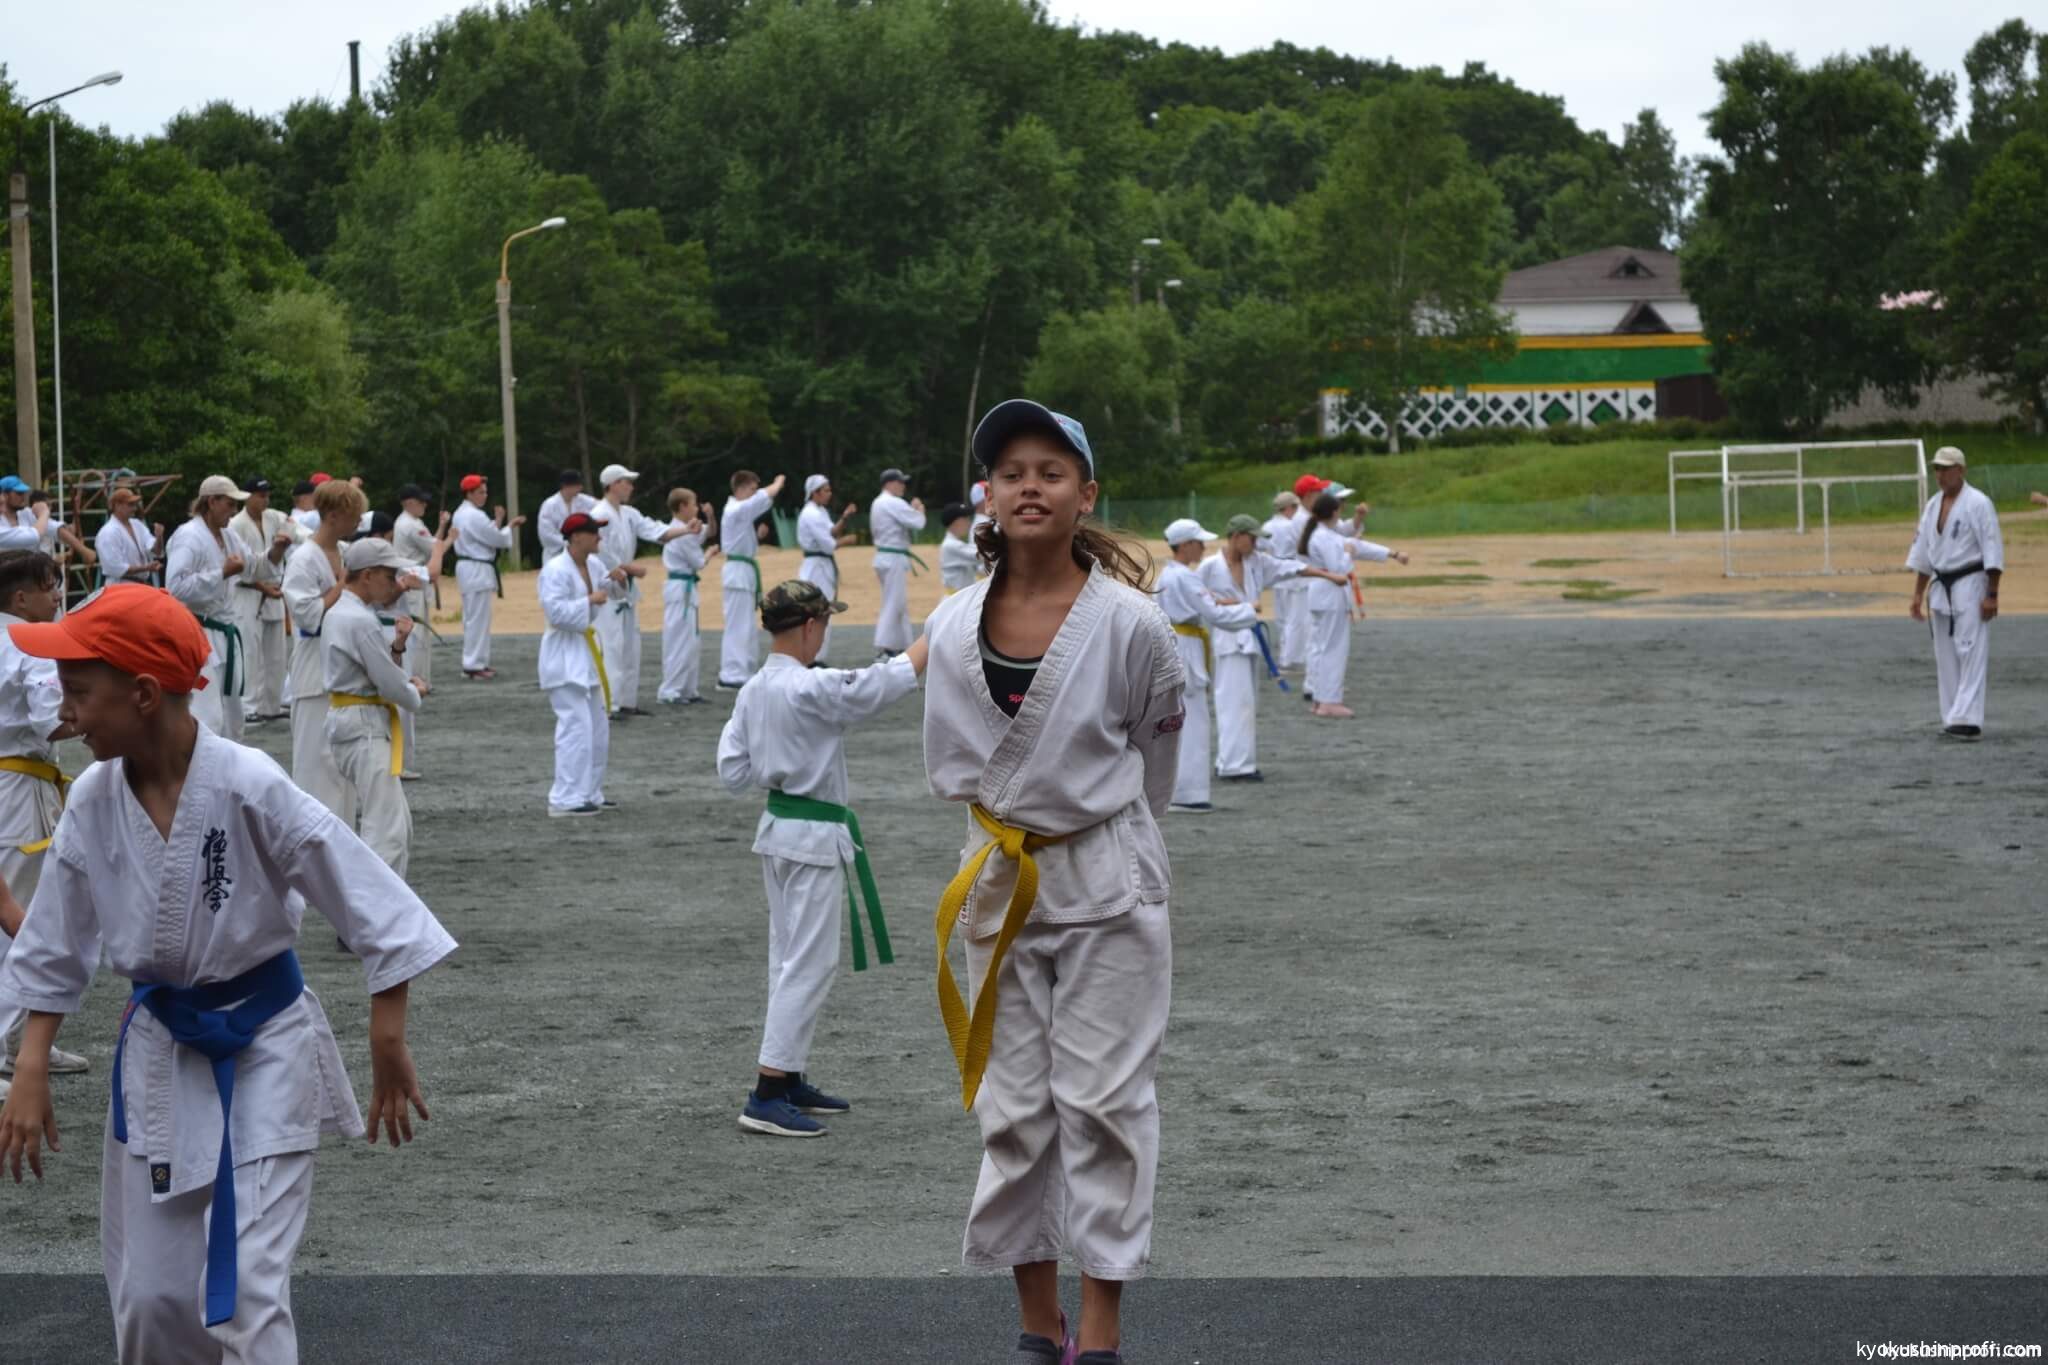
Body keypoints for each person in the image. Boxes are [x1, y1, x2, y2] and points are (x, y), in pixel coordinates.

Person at [0, 583, 455, 1363]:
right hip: (160, 1051)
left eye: (78, 692)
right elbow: (52, 943)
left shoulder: (248, 781)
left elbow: (370, 899)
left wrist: (386, 1036)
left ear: (144, 694)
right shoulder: (94, 801)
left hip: (265, 1048)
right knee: (152, 1302)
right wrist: (31, 1063)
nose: (65, 712)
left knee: (246, 1292)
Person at [923, 398, 1184, 1365]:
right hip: (998, 877)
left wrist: (1101, 831)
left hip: (1108, 873)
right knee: (1015, 1107)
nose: (1029, 486)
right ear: (987, 495)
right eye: (1011, 472)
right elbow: (953, 759)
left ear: (1086, 494)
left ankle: (1102, 1328)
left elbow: (1156, 762)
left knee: (1107, 1103)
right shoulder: (951, 622)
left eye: (1051, 470)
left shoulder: (1133, 624)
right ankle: (1039, 1323)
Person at [716, 581, 929, 1138]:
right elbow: (881, 683)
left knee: (787, 957)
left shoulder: (754, 689)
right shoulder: (809, 687)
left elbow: (732, 771)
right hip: (811, 834)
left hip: (777, 829)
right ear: (810, 626)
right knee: (809, 963)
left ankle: (786, 1075)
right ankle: (767, 1090)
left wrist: (778, 757)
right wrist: (936, 636)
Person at [0, 552, 90, 1106]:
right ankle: (8, 1040)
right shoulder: (26, 644)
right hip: (16, 792)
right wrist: (101, 708)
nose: (57, 597)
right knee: (19, 919)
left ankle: (19, 1038)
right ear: (20, 599)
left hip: (13, 784)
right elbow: (49, 718)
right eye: (49, 587)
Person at [324, 539, 428, 878]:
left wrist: (396, 648)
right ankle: (371, 906)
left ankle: (377, 904)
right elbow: (389, 685)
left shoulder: (342, 612)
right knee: (387, 833)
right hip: (364, 726)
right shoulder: (359, 619)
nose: (394, 583)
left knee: (396, 824)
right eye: (389, 575)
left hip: (354, 721)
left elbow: (376, 671)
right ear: (367, 575)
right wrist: (414, 692)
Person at [1155, 519, 1256, 814]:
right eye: (1199, 542)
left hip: (1178, 644)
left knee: (1180, 718)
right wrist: (1249, 610)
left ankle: (1179, 789)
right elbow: (1215, 615)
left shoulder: (1169, 575)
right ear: (1185, 545)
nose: (1203, 547)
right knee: (1194, 720)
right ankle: (1188, 792)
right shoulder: (1185, 577)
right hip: (1185, 647)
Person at [281, 479, 367, 824]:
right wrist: (344, 583)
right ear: (332, 516)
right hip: (313, 675)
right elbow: (307, 617)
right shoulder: (302, 560)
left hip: (344, 673)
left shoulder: (346, 552)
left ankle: (342, 846)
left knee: (342, 770)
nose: (358, 522)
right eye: (353, 515)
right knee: (314, 770)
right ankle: (311, 845)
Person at [1907, 446, 2006, 740]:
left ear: (1961, 470)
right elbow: (1923, 552)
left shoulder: (1978, 503)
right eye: (1937, 468)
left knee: (1970, 650)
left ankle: (1968, 719)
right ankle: (1951, 716)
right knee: (1946, 656)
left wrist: (1992, 594)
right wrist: (1917, 594)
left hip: (1971, 583)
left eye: (1946, 468)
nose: (1940, 474)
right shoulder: (1932, 505)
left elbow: (1992, 549)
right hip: (1941, 587)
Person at [537, 512, 625, 816]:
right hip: (562, 651)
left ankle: (589, 791)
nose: (599, 537)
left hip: (586, 652)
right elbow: (555, 612)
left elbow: (609, 592)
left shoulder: (594, 564)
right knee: (575, 727)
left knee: (598, 727)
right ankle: (564, 798)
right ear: (576, 537)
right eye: (593, 532)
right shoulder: (555, 570)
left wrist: (618, 582)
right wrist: (588, 600)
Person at [1298, 491, 1408, 720]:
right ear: (1334, 512)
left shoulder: (1324, 534)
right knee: (1334, 650)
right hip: (1330, 596)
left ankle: (1320, 698)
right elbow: (1338, 567)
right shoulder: (1323, 537)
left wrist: (1392, 554)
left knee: (1323, 648)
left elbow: (1360, 546)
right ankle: (1329, 702)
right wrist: (1348, 554)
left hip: (1321, 596)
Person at [164, 475, 251, 741]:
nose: (234, 511)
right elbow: (175, 587)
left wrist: (277, 552)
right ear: (211, 502)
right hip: (198, 634)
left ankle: (229, 763)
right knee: (207, 711)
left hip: (225, 631)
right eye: (229, 504)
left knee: (234, 712)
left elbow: (253, 565)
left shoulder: (228, 535)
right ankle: (199, 761)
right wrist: (221, 573)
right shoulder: (189, 536)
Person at [588, 465, 673, 717]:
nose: (631, 487)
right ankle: (609, 702)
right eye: (626, 482)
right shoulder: (598, 514)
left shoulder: (629, 514)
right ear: (613, 484)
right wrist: (626, 567)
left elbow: (655, 530)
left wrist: (686, 530)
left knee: (630, 646)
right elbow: (598, 551)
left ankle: (627, 700)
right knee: (611, 645)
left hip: (625, 589)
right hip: (606, 587)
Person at [390, 487, 451, 779]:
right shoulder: (409, 524)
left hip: (415, 583)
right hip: (411, 588)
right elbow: (434, 554)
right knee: (412, 643)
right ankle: (416, 680)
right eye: (421, 502)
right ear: (409, 502)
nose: (424, 505)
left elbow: (432, 547)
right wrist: (447, 539)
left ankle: (418, 680)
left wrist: (441, 531)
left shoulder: (412, 523)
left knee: (418, 644)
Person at [227, 479, 298, 726]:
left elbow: (294, 527)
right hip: (247, 592)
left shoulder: (274, 517)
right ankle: (249, 707)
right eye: (260, 495)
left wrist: (287, 537)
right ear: (247, 497)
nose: (265, 500)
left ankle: (271, 705)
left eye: (267, 495)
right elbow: (237, 566)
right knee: (250, 652)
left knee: (277, 653)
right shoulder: (236, 524)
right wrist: (262, 586)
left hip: (274, 590)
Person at [450, 473, 523, 681]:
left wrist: (498, 521)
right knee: (477, 619)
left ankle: (476, 662)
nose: (484, 496)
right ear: (469, 493)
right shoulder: (474, 515)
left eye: (485, 492)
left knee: (474, 618)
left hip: (471, 567)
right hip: (476, 568)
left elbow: (485, 535)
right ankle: (473, 665)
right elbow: (496, 539)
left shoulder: (462, 513)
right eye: (480, 492)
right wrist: (509, 526)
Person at [717, 470, 786, 688]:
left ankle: (744, 669)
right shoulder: (735, 509)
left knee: (746, 625)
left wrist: (756, 537)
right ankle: (731, 673)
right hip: (737, 572)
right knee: (737, 625)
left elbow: (739, 540)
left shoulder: (740, 513)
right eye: (753, 489)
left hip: (744, 571)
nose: (755, 493)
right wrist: (778, 482)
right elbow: (765, 496)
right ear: (742, 488)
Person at [657, 487, 715, 705]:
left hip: (685, 588)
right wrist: (709, 553)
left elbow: (709, 532)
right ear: (682, 507)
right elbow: (698, 562)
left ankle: (688, 689)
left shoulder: (686, 529)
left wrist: (710, 517)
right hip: (680, 588)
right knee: (678, 640)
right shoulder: (679, 532)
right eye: (693, 504)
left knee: (691, 640)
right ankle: (671, 690)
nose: (696, 508)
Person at [796, 475, 857, 661]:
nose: (829, 493)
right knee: (817, 611)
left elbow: (831, 531)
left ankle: (817, 657)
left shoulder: (820, 511)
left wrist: (844, 517)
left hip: (822, 565)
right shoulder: (811, 514)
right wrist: (847, 540)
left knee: (823, 611)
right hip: (816, 567)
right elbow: (829, 544)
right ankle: (811, 658)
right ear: (814, 493)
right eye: (826, 490)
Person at [869, 468, 927, 659]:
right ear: (889, 483)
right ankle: (884, 647)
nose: (903, 486)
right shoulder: (892, 502)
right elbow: (918, 523)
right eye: (900, 482)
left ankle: (901, 645)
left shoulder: (879, 502)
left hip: (885, 557)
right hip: (892, 558)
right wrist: (918, 509)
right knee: (893, 603)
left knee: (897, 603)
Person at [1260, 491, 1303, 665]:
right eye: (1295, 507)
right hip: (1292, 570)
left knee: (1281, 618)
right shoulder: (1292, 526)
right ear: (1288, 508)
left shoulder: (1267, 525)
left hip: (1275, 571)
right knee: (1293, 617)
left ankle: (1285, 652)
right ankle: (1289, 656)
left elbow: (1260, 547)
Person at [94, 488, 161, 588]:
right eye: (130, 505)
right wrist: (146, 568)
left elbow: (156, 551)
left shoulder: (137, 525)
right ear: (117, 505)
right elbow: (115, 568)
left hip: (140, 585)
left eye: (135, 505)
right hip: (120, 586)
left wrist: (159, 537)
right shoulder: (108, 532)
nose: (134, 508)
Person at [536, 469, 597, 562]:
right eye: (577, 485)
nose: (580, 488)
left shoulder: (583, 500)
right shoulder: (549, 505)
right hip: (556, 554)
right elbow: (546, 534)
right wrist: (570, 543)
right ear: (565, 486)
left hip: (580, 553)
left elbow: (601, 507)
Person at [938, 501, 977, 595]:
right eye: (965, 518)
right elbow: (980, 555)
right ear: (956, 522)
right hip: (957, 599)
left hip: (959, 597)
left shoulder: (955, 543)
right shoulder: (951, 545)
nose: (969, 522)